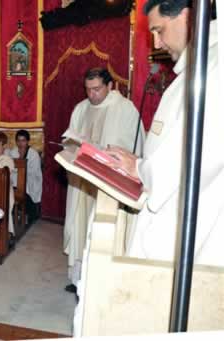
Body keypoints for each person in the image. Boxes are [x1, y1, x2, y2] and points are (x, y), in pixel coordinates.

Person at [107, 0, 223, 266]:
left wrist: (139, 168)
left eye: (159, 31)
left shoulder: (213, 67)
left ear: (186, 16)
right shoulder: (197, 67)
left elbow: (202, 151)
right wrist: (138, 163)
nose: (157, 44)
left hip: (187, 226)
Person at [63, 67, 144, 294]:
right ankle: (78, 278)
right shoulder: (80, 109)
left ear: (110, 86)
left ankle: (101, 280)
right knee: (80, 226)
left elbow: (136, 148)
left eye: (97, 89)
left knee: (103, 228)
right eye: (88, 90)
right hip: (83, 181)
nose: (92, 95)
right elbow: (70, 140)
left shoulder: (125, 109)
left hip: (110, 183)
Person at [9, 130, 43, 225]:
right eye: (18, 141)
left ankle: (31, 212)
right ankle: (15, 210)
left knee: (23, 182)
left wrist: (21, 160)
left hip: (32, 179)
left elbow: (33, 171)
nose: (21, 143)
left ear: (28, 141)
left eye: (23, 140)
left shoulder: (34, 154)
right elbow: (11, 168)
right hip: (17, 178)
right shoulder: (12, 152)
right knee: (14, 179)